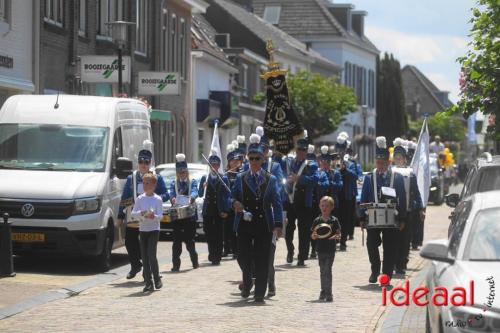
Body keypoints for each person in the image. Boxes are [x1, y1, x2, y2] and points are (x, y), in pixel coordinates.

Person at [231, 133, 283, 303]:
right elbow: (231, 197)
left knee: (262, 257)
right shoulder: (240, 177)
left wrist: (278, 224)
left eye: (257, 158)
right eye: (251, 158)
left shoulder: (271, 179)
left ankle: (260, 292)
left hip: (263, 222)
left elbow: (277, 202)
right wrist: (235, 203)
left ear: (262, 159)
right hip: (245, 223)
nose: (253, 162)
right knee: (243, 256)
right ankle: (247, 284)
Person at [360, 136, 407, 284]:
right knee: (371, 244)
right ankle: (375, 269)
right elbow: (364, 197)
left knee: (390, 247)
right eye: (378, 162)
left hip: (392, 217)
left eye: (383, 163)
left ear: (388, 162)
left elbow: (402, 198)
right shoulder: (369, 178)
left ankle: (386, 275)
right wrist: (361, 217)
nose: (380, 165)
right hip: (373, 217)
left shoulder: (397, 177)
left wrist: (402, 218)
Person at [118, 149, 169, 280]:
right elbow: (124, 197)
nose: (143, 164)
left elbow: (166, 194)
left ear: (150, 162)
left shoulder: (156, 177)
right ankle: (135, 265)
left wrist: (155, 198)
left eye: (146, 162)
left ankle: (149, 271)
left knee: (147, 246)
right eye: (141, 161)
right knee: (129, 242)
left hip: (150, 218)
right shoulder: (132, 178)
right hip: (135, 215)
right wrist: (120, 215)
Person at [284, 134, 319, 266]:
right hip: (290, 199)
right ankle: (290, 251)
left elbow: (315, 180)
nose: (300, 152)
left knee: (304, 230)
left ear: (307, 151)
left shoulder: (311, 165)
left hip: (304, 201)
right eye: (299, 149)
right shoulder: (291, 162)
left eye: (303, 150)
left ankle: (302, 256)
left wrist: (299, 179)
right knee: (288, 229)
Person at [391, 138, 424, 275]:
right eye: (396, 157)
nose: (398, 160)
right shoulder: (390, 172)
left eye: (400, 158)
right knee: (392, 239)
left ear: (405, 159)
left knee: (405, 239)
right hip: (392, 211)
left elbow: (416, 193)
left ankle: (402, 264)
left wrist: (420, 207)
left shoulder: (410, 173)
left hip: (408, 211)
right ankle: (392, 262)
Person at [131, 172, 164, 292]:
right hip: (143, 230)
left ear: (154, 185)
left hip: (154, 230)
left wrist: (153, 216)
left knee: (151, 255)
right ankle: (148, 282)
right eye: (143, 183)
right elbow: (133, 214)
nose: (145, 185)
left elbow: (160, 216)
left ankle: (157, 279)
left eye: (147, 183)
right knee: (144, 257)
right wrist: (140, 214)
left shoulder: (157, 199)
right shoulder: (140, 199)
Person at [169, 153, 199, 272]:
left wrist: (191, 198)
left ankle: (195, 262)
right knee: (176, 242)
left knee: (190, 241)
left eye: (183, 171)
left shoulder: (192, 181)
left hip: (189, 215)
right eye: (179, 172)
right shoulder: (174, 183)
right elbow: (171, 194)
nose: (182, 174)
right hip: (177, 215)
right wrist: (173, 199)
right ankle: (176, 265)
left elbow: (195, 192)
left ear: (187, 171)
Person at [199, 153, 231, 265]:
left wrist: (226, 210)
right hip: (208, 210)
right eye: (212, 164)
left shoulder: (223, 178)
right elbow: (199, 194)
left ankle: (217, 256)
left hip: (219, 210)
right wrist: (203, 187)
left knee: (218, 234)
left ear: (218, 166)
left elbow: (228, 195)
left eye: (216, 164)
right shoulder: (205, 178)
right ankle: (211, 253)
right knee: (209, 234)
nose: (214, 166)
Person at [311, 196, 341, 302]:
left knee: (328, 270)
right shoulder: (317, 220)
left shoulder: (334, 220)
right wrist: (314, 236)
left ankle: (329, 293)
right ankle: (323, 290)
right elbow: (313, 234)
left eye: (327, 206)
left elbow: (338, 234)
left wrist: (336, 237)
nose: (324, 208)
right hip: (320, 249)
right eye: (322, 206)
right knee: (322, 271)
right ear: (319, 206)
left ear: (332, 207)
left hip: (330, 249)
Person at [334, 133, 358, 251]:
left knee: (345, 219)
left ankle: (343, 241)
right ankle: (334, 240)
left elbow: (355, 176)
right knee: (334, 218)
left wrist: (345, 169)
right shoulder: (333, 161)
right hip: (335, 195)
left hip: (347, 195)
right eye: (338, 149)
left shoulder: (351, 163)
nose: (340, 151)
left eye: (341, 149)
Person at [222, 144, 243, 258]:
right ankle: (226, 249)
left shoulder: (242, 174)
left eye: (237, 161)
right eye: (232, 161)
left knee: (237, 229)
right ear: (229, 162)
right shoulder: (224, 174)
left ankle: (236, 250)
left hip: (238, 205)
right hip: (227, 205)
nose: (235, 163)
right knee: (227, 229)